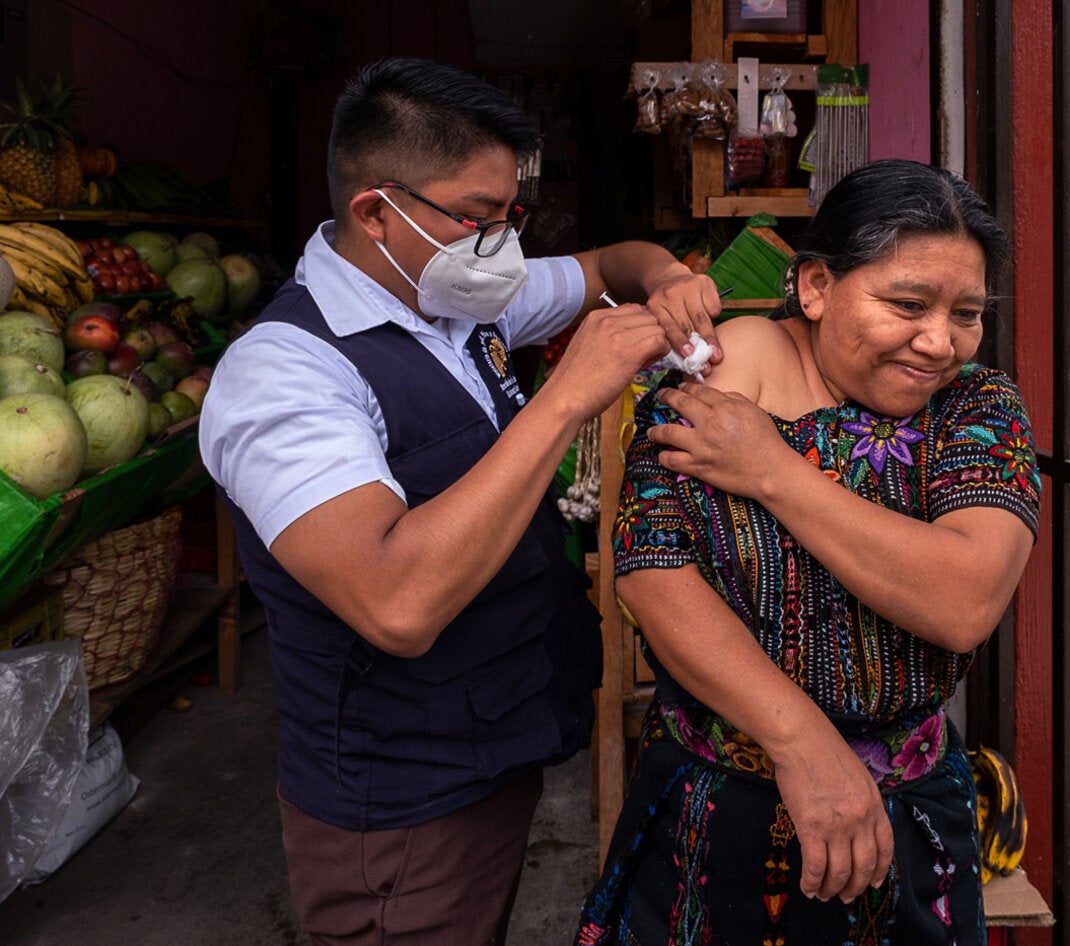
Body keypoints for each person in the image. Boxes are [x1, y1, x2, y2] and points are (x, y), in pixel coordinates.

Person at [199, 57, 723, 946]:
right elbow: (395, 602)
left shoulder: (454, 301)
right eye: (478, 218)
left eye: (509, 214)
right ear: (376, 210)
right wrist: (566, 397)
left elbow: (609, 264)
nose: (501, 242)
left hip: (497, 750)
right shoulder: (284, 374)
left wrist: (668, 273)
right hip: (401, 807)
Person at [576, 159, 1040, 944]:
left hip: (909, 824)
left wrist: (773, 473)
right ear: (817, 287)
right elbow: (654, 572)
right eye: (907, 304)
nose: (939, 342)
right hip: (713, 815)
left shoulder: (977, 409)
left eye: (966, 312)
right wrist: (803, 743)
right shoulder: (716, 376)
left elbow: (964, 601)